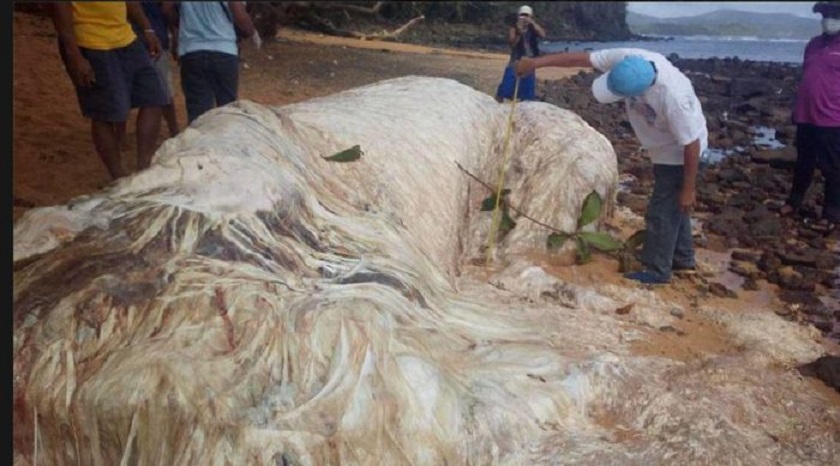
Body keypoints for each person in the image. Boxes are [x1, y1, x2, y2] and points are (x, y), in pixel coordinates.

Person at [516, 49, 708, 285]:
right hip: (662, 147)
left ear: (642, 91)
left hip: (681, 153)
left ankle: (657, 271)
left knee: (661, 212)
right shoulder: (627, 58)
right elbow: (580, 58)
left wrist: (689, 188)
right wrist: (535, 63)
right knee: (672, 206)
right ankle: (682, 259)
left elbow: (691, 144)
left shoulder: (673, 99)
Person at [52, 1, 168, 180]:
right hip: (91, 43)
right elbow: (60, 11)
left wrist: (147, 29)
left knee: (155, 97)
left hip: (126, 38)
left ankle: (144, 167)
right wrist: (75, 56)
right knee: (105, 113)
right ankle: (118, 177)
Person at [780, 1, 840, 233]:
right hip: (807, 115)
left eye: (833, 14)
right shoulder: (813, 45)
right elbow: (807, 75)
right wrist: (797, 109)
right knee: (803, 163)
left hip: (833, 119)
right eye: (824, 15)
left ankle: (831, 213)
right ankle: (793, 202)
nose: (828, 19)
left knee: (832, 168)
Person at [162, 1, 255, 124]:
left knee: (198, 112)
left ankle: (198, 140)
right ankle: (225, 140)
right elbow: (241, 17)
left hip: (191, 51)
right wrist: (251, 31)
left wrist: (184, 23)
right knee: (227, 109)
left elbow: (166, 8)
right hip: (223, 50)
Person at [131, 1, 179, 138]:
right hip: (154, 39)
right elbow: (166, 8)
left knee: (126, 89)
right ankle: (174, 130)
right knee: (162, 92)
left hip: (130, 40)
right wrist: (175, 32)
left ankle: (119, 137)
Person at [495, 5, 546, 103]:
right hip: (516, 60)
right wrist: (519, 32)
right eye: (522, 15)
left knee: (527, 92)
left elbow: (543, 34)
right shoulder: (514, 28)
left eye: (526, 15)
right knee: (506, 87)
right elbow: (512, 44)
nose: (524, 18)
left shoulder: (532, 28)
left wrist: (532, 23)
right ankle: (499, 102)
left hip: (529, 62)